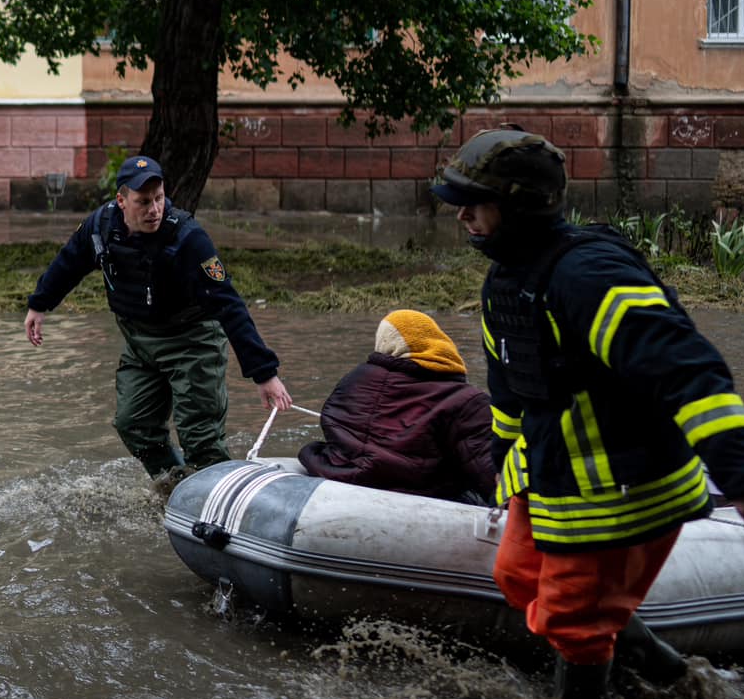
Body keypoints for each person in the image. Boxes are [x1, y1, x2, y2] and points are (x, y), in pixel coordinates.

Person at [431, 128, 744, 699]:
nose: (462, 218)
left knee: (571, 617)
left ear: (519, 205)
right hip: (554, 474)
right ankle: (658, 665)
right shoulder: (506, 282)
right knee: (516, 573)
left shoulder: (587, 277)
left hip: (621, 487)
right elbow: (509, 385)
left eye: (473, 204)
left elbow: (687, 368)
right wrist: (504, 460)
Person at [25, 154, 292, 490]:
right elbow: (69, 262)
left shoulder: (188, 238)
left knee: (200, 438)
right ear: (121, 201)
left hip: (192, 342)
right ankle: (175, 487)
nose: (153, 209)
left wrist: (264, 373)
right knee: (132, 423)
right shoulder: (101, 226)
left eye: (159, 199)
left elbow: (229, 305)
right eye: (143, 202)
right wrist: (39, 305)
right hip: (140, 343)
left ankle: (221, 505)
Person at [298, 309, 494, 503]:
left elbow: (333, 426)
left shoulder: (354, 380)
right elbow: (488, 469)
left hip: (337, 481)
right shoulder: (468, 400)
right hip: (421, 498)